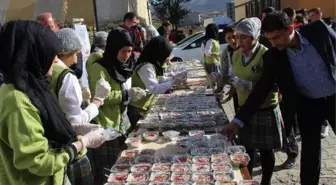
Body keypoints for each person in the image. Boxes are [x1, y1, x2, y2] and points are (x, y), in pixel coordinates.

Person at [224, 11, 336, 185]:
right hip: (309, 105)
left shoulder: (318, 31)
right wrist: (237, 121)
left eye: (277, 37)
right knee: (310, 153)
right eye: (269, 39)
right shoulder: (273, 56)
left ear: (290, 29)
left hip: (334, 97)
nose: (273, 43)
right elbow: (261, 90)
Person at [0, 20, 106, 185]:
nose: (57, 61)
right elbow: (40, 162)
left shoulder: (32, 85)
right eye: (52, 54)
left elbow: (48, 128)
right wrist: (82, 142)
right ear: (33, 54)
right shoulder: (16, 101)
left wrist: (76, 130)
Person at [87, 29, 146, 185]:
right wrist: (127, 95)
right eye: (123, 51)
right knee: (109, 169)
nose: (126, 55)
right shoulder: (99, 67)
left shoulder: (121, 66)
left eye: (129, 51)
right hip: (105, 123)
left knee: (122, 164)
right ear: (113, 49)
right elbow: (100, 96)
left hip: (121, 120)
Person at [231, 17, 284, 185]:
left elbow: (270, 83)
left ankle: (266, 181)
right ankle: (248, 179)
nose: (239, 41)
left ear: (255, 37)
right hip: (245, 107)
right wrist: (229, 81)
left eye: (244, 37)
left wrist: (250, 84)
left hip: (264, 109)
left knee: (266, 150)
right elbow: (235, 75)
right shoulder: (237, 55)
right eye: (237, 37)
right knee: (247, 149)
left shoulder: (265, 54)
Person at [127, 36, 186, 127]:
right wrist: (172, 82)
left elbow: (158, 79)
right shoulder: (146, 66)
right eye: (165, 54)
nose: (167, 57)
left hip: (145, 104)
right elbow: (154, 88)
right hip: (138, 107)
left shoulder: (151, 63)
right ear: (159, 52)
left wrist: (174, 78)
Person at [212, 26, 239, 111]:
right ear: (225, 39)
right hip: (235, 90)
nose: (233, 41)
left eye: (234, 37)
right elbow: (225, 73)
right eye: (229, 38)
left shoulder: (244, 50)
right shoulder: (226, 53)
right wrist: (219, 88)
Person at [201, 23, 221, 88]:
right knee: (215, 82)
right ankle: (216, 95)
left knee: (213, 82)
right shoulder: (210, 41)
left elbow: (203, 51)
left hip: (210, 63)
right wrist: (215, 54)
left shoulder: (207, 41)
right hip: (213, 65)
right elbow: (207, 52)